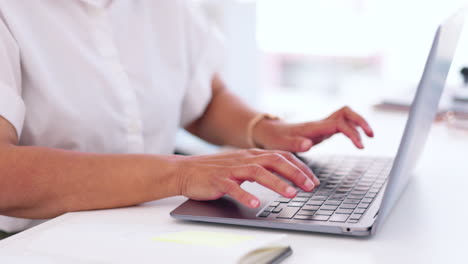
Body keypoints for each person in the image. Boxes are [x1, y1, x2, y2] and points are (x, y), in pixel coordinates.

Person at [0, 0, 373, 234]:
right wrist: (182, 172)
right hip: (35, 239)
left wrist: (268, 131)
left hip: (151, 225)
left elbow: (202, 99)